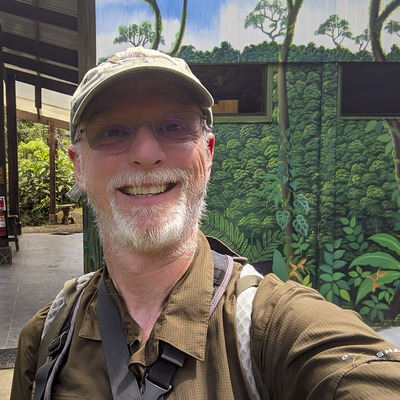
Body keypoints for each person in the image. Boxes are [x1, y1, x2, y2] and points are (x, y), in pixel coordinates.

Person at [11, 47, 400, 399]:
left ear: (208, 154)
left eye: (173, 126)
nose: (146, 153)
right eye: (112, 131)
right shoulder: (45, 340)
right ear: (78, 167)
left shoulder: (271, 327)